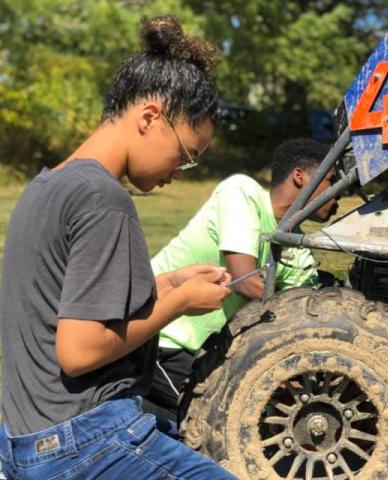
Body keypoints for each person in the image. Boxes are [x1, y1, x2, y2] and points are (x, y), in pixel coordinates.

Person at [0, 16, 239, 479]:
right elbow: (80, 350)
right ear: (151, 117)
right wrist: (178, 303)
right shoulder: (104, 199)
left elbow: (64, 300)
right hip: (81, 440)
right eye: (187, 155)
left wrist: (171, 282)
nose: (178, 172)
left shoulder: (47, 185)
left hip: (22, 436)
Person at [143, 138, 339, 421]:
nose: (338, 196)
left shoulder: (298, 247)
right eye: (332, 180)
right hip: (164, 339)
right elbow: (244, 280)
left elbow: (300, 319)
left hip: (208, 352)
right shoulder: (241, 193)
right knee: (212, 422)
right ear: (300, 176)